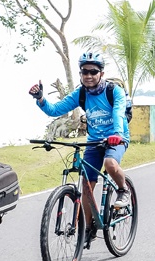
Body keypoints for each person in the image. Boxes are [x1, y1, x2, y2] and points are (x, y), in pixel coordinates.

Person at [30, 51, 130, 212]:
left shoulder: (114, 91)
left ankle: (123, 189)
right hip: (94, 141)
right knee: (87, 187)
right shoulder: (80, 93)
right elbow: (55, 110)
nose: (88, 75)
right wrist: (40, 99)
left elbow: (118, 112)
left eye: (93, 72)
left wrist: (117, 134)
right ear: (80, 73)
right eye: (85, 71)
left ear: (101, 73)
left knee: (110, 163)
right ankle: (88, 231)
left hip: (117, 138)